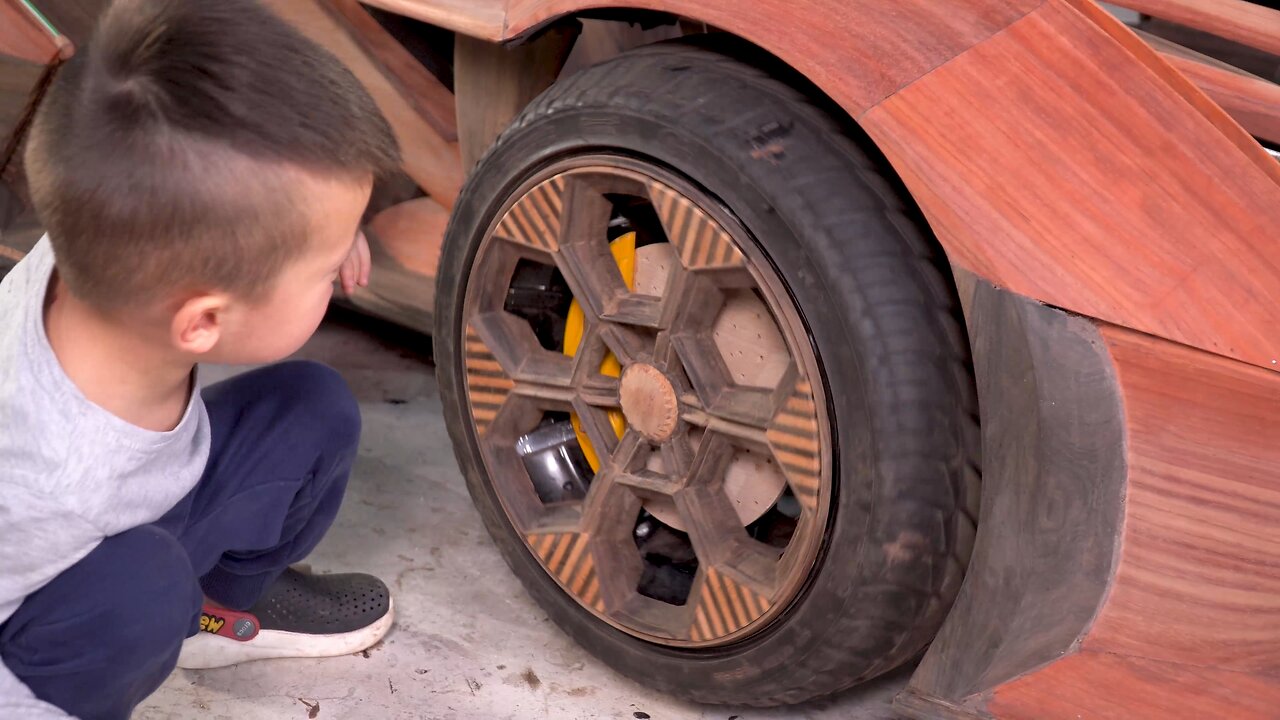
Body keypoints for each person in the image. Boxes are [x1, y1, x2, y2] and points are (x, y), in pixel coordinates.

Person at [0, 0, 402, 717]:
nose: (344, 261)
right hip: (53, 612)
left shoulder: (113, 218)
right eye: (324, 266)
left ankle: (219, 610)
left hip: (144, 502)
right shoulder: (36, 484)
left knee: (311, 409)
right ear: (204, 322)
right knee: (142, 593)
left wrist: (319, 229)